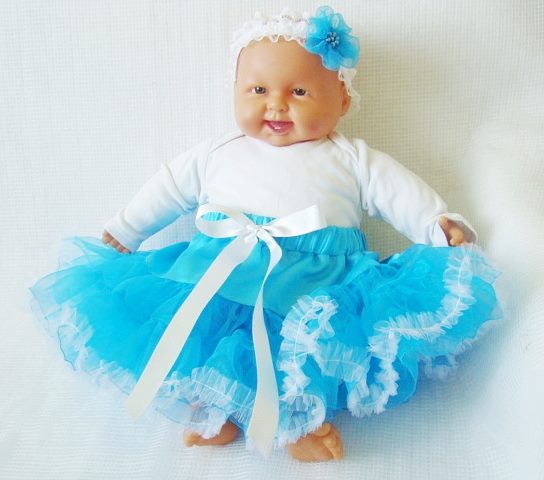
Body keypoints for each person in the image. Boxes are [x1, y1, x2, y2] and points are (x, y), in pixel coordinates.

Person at [30, 7, 500, 462]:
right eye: (258, 89)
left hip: (315, 285)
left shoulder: (352, 159)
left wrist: (438, 223)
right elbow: (168, 188)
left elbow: (400, 194)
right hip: (220, 272)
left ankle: (300, 423)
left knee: (298, 352)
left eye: (299, 91)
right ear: (235, 92)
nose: (276, 104)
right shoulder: (218, 152)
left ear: (341, 100)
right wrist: (125, 228)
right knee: (208, 339)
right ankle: (215, 411)